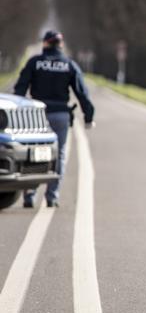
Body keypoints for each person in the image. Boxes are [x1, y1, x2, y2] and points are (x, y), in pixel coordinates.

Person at [14, 30, 95, 208]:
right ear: (60, 45)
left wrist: (16, 112)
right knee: (59, 154)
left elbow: (20, 89)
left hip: (36, 116)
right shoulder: (68, 64)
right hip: (60, 115)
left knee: (32, 152)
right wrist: (88, 116)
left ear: (45, 44)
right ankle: (52, 195)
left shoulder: (34, 63)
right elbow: (82, 92)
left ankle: (29, 195)